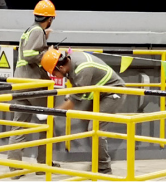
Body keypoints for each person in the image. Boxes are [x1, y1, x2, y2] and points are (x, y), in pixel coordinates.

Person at [41, 47, 126, 176]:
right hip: (99, 94)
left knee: (96, 128)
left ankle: (103, 167)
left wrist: (52, 113)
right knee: (88, 123)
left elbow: (73, 102)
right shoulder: (72, 62)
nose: (54, 77)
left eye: (53, 73)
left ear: (60, 68)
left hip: (113, 93)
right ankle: (97, 161)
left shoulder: (83, 69)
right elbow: (76, 90)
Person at [7, 0, 57, 173]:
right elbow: (30, 54)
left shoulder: (29, 30)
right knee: (47, 120)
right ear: (49, 19)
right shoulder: (37, 31)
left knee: (19, 125)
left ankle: (14, 166)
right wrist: (48, 52)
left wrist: (44, 40)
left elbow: (27, 50)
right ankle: (44, 164)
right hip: (33, 83)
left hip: (20, 82)